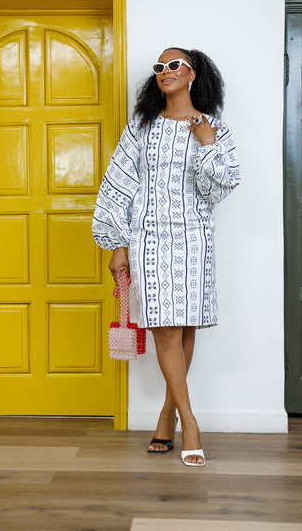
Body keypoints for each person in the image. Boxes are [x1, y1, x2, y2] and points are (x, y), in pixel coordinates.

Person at [92, 47, 240, 467]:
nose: (165, 71)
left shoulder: (214, 128)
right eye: (159, 67)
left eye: (174, 65)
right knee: (164, 327)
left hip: (194, 236)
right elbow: (118, 185)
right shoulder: (141, 127)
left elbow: (217, 190)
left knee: (185, 324)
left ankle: (166, 414)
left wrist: (207, 144)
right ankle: (190, 423)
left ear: (193, 74)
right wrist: (117, 245)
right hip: (147, 238)